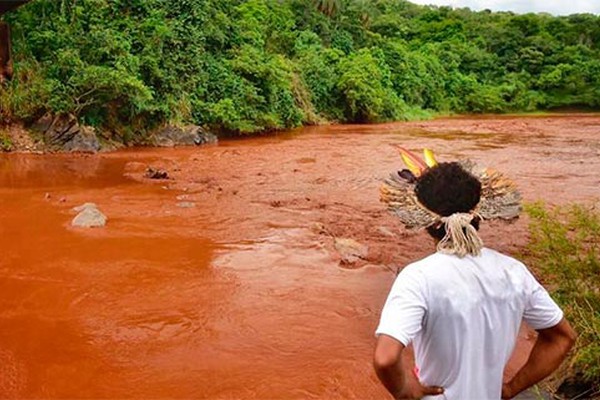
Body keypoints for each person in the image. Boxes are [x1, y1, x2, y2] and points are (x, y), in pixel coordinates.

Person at [375, 154, 576, 400]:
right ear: (478, 214)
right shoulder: (513, 272)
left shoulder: (418, 277)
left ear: (425, 221)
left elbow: (385, 359)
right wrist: (511, 388)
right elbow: (562, 338)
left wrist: (405, 391)